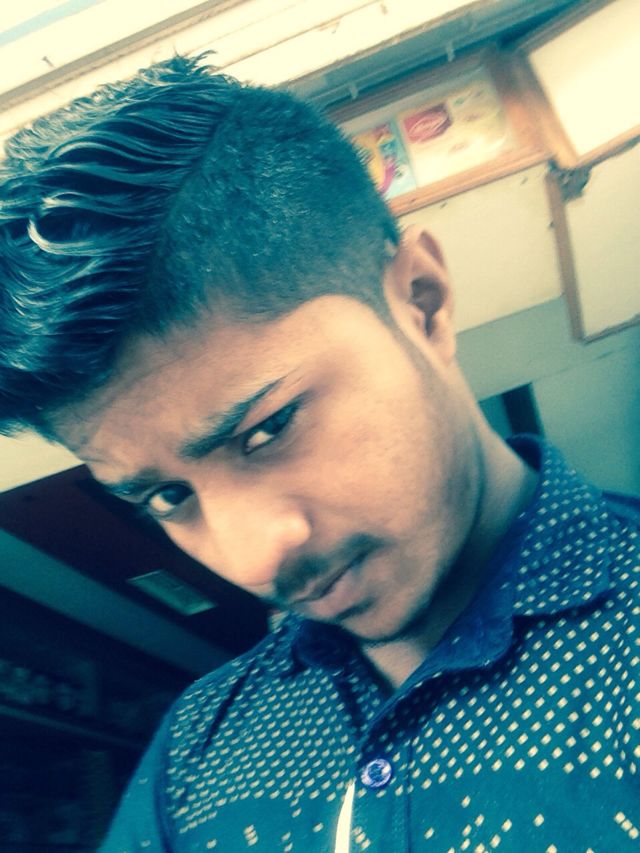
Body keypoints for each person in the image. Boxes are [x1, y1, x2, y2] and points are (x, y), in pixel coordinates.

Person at [0, 53, 638, 852]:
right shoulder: (196, 750)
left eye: (268, 429)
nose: (253, 557)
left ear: (423, 304)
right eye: (169, 495)